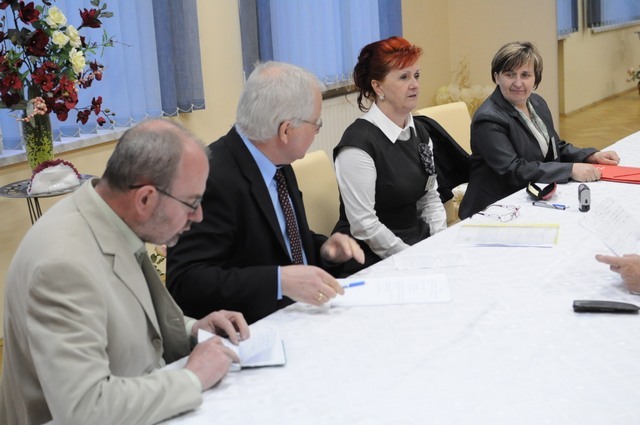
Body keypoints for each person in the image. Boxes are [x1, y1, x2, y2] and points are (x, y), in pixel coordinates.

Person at [0, 119, 251, 425]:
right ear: (145, 198)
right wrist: (193, 377)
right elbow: (85, 410)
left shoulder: (109, 217)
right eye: (192, 203)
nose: (198, 216)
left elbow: (126, 318)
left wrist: (192, 330)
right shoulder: (62, 267)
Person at [167, 61, 365, 324]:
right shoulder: (212, 178)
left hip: (301, 314)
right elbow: (186, 282)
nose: (317, 131)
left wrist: (324, 251)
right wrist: (278, 281)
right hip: (254, 328)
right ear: (286, 130)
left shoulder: (277, 160)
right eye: (316, 124)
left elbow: (284, 241)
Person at [332, 36, 467, 273]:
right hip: (370, 254)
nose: (414, 85)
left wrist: (440, 243)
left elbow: (429, 198)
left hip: (414, 239)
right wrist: (412, 258)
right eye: (404, 77)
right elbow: (365, 225)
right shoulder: (358, 145)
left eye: (416, 75)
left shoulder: (419, 132)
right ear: (378, 87)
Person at [459, 41, 620, 219]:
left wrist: (590, 156)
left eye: (525, 75)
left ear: (535, 78)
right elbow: (513, 170)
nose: (518, 83)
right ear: (497, 77)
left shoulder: (537, 103)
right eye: (510, 74)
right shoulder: (488, 119)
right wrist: (570, 170)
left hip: (531, 195)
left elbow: (555, 146)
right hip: (494, 209)